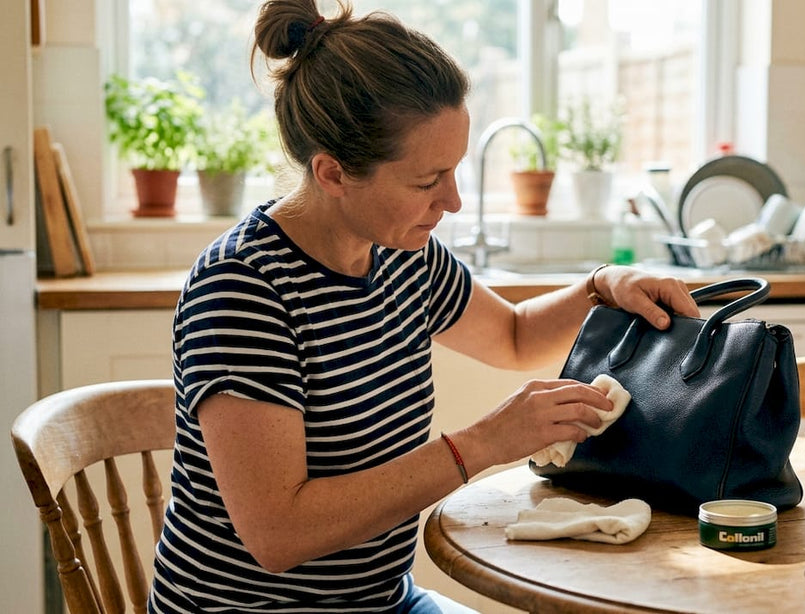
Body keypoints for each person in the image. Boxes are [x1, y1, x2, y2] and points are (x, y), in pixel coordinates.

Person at [148, 1, 699, 612]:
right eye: (426, 180)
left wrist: (602, 286)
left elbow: (514, 337)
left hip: (384, 601)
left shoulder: (404, 256)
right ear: (332, 173)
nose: (454, 201)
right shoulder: (243, 289)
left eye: (455, 170)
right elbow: (281, 533)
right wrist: (484, 443)